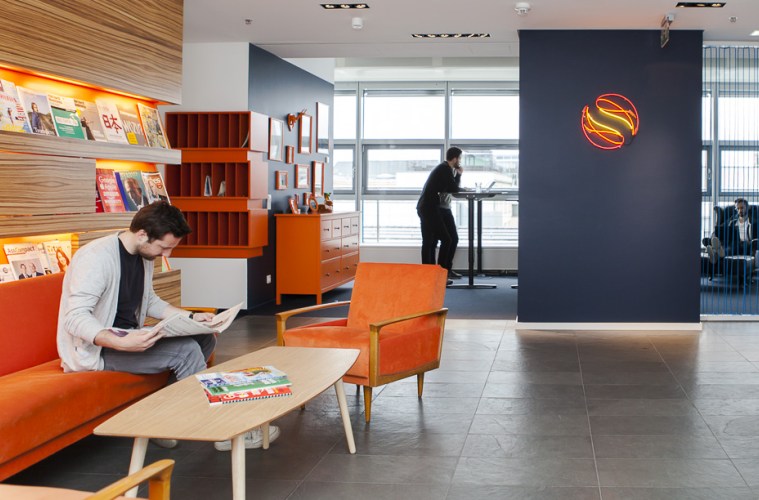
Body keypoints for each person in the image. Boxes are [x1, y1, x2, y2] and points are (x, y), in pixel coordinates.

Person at [56, 201, 279, 451]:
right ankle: (223, 430)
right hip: (97, 348)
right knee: (185, 352)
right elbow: (74, 317)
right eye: (164, 247)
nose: (167, 255)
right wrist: (120, 342)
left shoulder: (143, 254)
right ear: (142, 234)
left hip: (130, 336)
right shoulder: (96, 258)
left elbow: (149, 300)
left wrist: (190, 317)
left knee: (205, 338)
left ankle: (159, 421)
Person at [416, 147, 463, 282]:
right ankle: (438, 275)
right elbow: (453, 188)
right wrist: (459, 175)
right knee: (439, 240)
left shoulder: (445, 169)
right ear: (455, 158)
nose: (460, 161)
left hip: (430, 207)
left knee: (435, 241)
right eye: (459, 158)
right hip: (429, 208)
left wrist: (457, 177)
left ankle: (435, 273)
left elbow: (450, 188)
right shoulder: (444, 169)